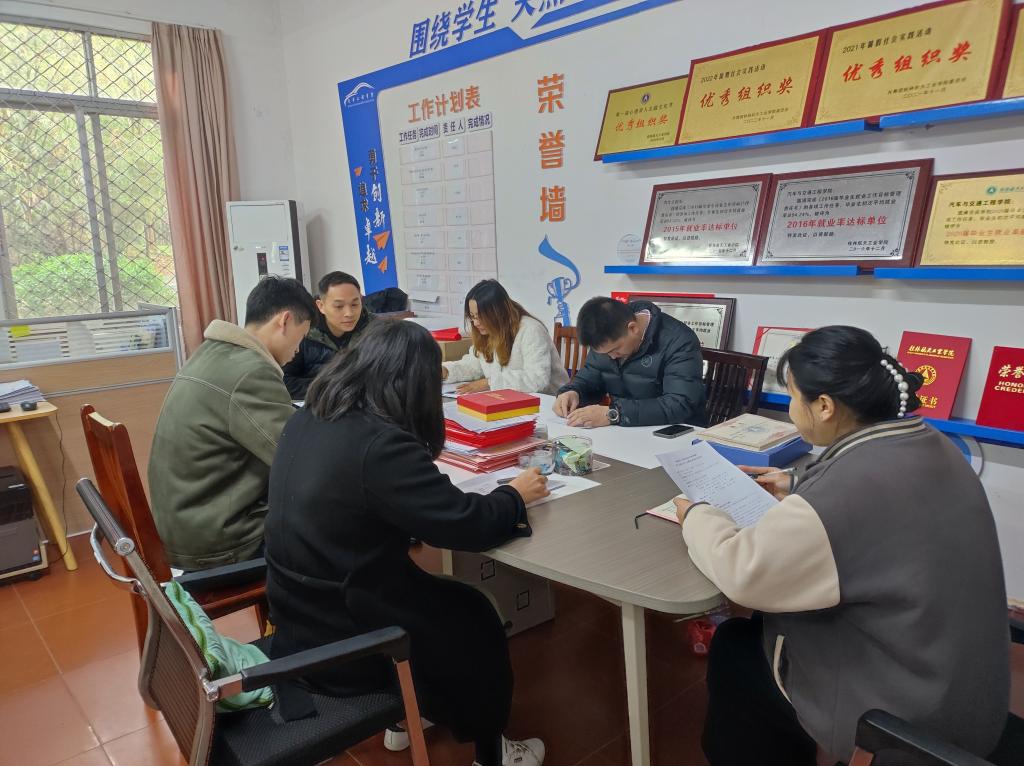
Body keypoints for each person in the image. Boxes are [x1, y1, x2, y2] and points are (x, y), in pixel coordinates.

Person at [672, 326, 1009, 766]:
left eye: (793, 397)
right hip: (964, 686)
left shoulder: (846, 495)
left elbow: (742, 573)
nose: (791, 409)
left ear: (825, 406)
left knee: (738, 648)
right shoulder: (929, 442)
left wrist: (697, 514)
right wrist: (794, 483)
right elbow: (872, 494)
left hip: (908, 716)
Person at [264, 319, 549, 766]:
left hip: (299, 610)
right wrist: (514, 496)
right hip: (347, 632)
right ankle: (491, 751)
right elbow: (463, 524)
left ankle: (410, 717)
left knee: (436, 600)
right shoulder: (379, 443)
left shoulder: (311, 415)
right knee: (475, 615)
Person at [149, 276, 315, 570]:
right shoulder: (251, 372)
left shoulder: (212, 353)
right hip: (220, 539)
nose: (298, 350)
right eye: (300, 338)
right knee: (335, 522)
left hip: (188, 521)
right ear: (285, 321)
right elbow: (299, 458)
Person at [552, 296, 705, 428]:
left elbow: (679, 404)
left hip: (674, 431)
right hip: (625, 429)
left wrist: (614, 414)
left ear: (632, 328)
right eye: (605, 353)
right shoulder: (605, 335)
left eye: (615, 350)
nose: (612, 357)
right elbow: (590, 377)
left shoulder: (679, 340)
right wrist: (573, 392)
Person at [443, 280, 569, 395]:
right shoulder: (486, 332)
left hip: (549, 403)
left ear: (498, 313)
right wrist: (446, 371)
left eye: (481, 316)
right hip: (509, 400)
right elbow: (474, 365)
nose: (476, 323)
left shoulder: (531, 330)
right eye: (473, 316)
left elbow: (537, 379)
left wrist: (489, 383)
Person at [283, 271, 376, 399]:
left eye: (355, 304)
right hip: (316, 404)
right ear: (321, 306)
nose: (349, 313)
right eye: (339, 306)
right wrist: (333, 387)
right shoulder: (303, 331)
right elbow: (285, 382)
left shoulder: (376, 329)